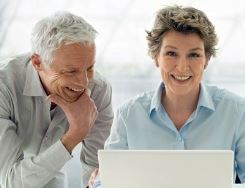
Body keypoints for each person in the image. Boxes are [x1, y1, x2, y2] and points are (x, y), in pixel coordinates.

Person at [91, 5, 245, 187]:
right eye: (171, 53)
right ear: (156, 57)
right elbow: (108, 181)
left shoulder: (236, 111)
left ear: (207, 60)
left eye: (194, 55)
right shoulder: (128, 115)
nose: (182, 67)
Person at [0, 11, 113, 188]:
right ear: (37, 63)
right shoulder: (4, 86)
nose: (84, 82)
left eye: (89, 68)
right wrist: (75, 135)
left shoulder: (98, 89)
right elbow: (10, 181)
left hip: (53, 176)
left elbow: (98, 171)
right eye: (71, 71)